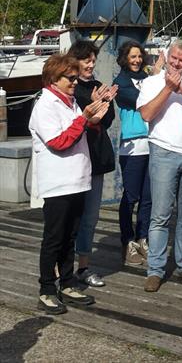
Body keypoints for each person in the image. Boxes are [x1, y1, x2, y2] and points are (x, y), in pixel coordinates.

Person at [29, 53, 109, 314]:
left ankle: (67, 282)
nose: (75, 82)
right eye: (70, 78)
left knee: (70, 237)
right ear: (54, 78)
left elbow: (81, 130)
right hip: (58, 182)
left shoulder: (70, 102)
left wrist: (94, 119)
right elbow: (59, 142)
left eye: (76, 77)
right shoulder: (46, 105)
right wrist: (85, 119)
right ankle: (46, 289)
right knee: (53, 238)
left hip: (77, 180)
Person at [137, 39, 182, 292]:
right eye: (174, 58)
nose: (177, 63)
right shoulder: (151, 82)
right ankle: (155, 268)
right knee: (160, 215)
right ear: (167, 56)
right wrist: (168, 89)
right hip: (163, 152)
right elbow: (146, 115)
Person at [67, 40, 118, 288]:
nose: (91, 64)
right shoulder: (69, 89)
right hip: (74, 161)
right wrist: (93, 105)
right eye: (86, 60)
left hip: (96, 159)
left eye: (93, 60)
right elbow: (75, 121)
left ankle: (83, 266)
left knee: (91, 216)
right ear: (75, 61)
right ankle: (62, 268)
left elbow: (107, 119)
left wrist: (105, 104)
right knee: (69, 216)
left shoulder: (98, 86)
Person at [113, 40, 152, 265]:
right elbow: (142, 102)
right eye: (132, 57)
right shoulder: (121, 83)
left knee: (148, 197)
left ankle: (143, 236)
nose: (137, 60)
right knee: (131, 197)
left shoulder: (148, 79)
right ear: (125, 59)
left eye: (139, 56)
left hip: (152, 143)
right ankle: (127, 240)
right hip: (132, 146)